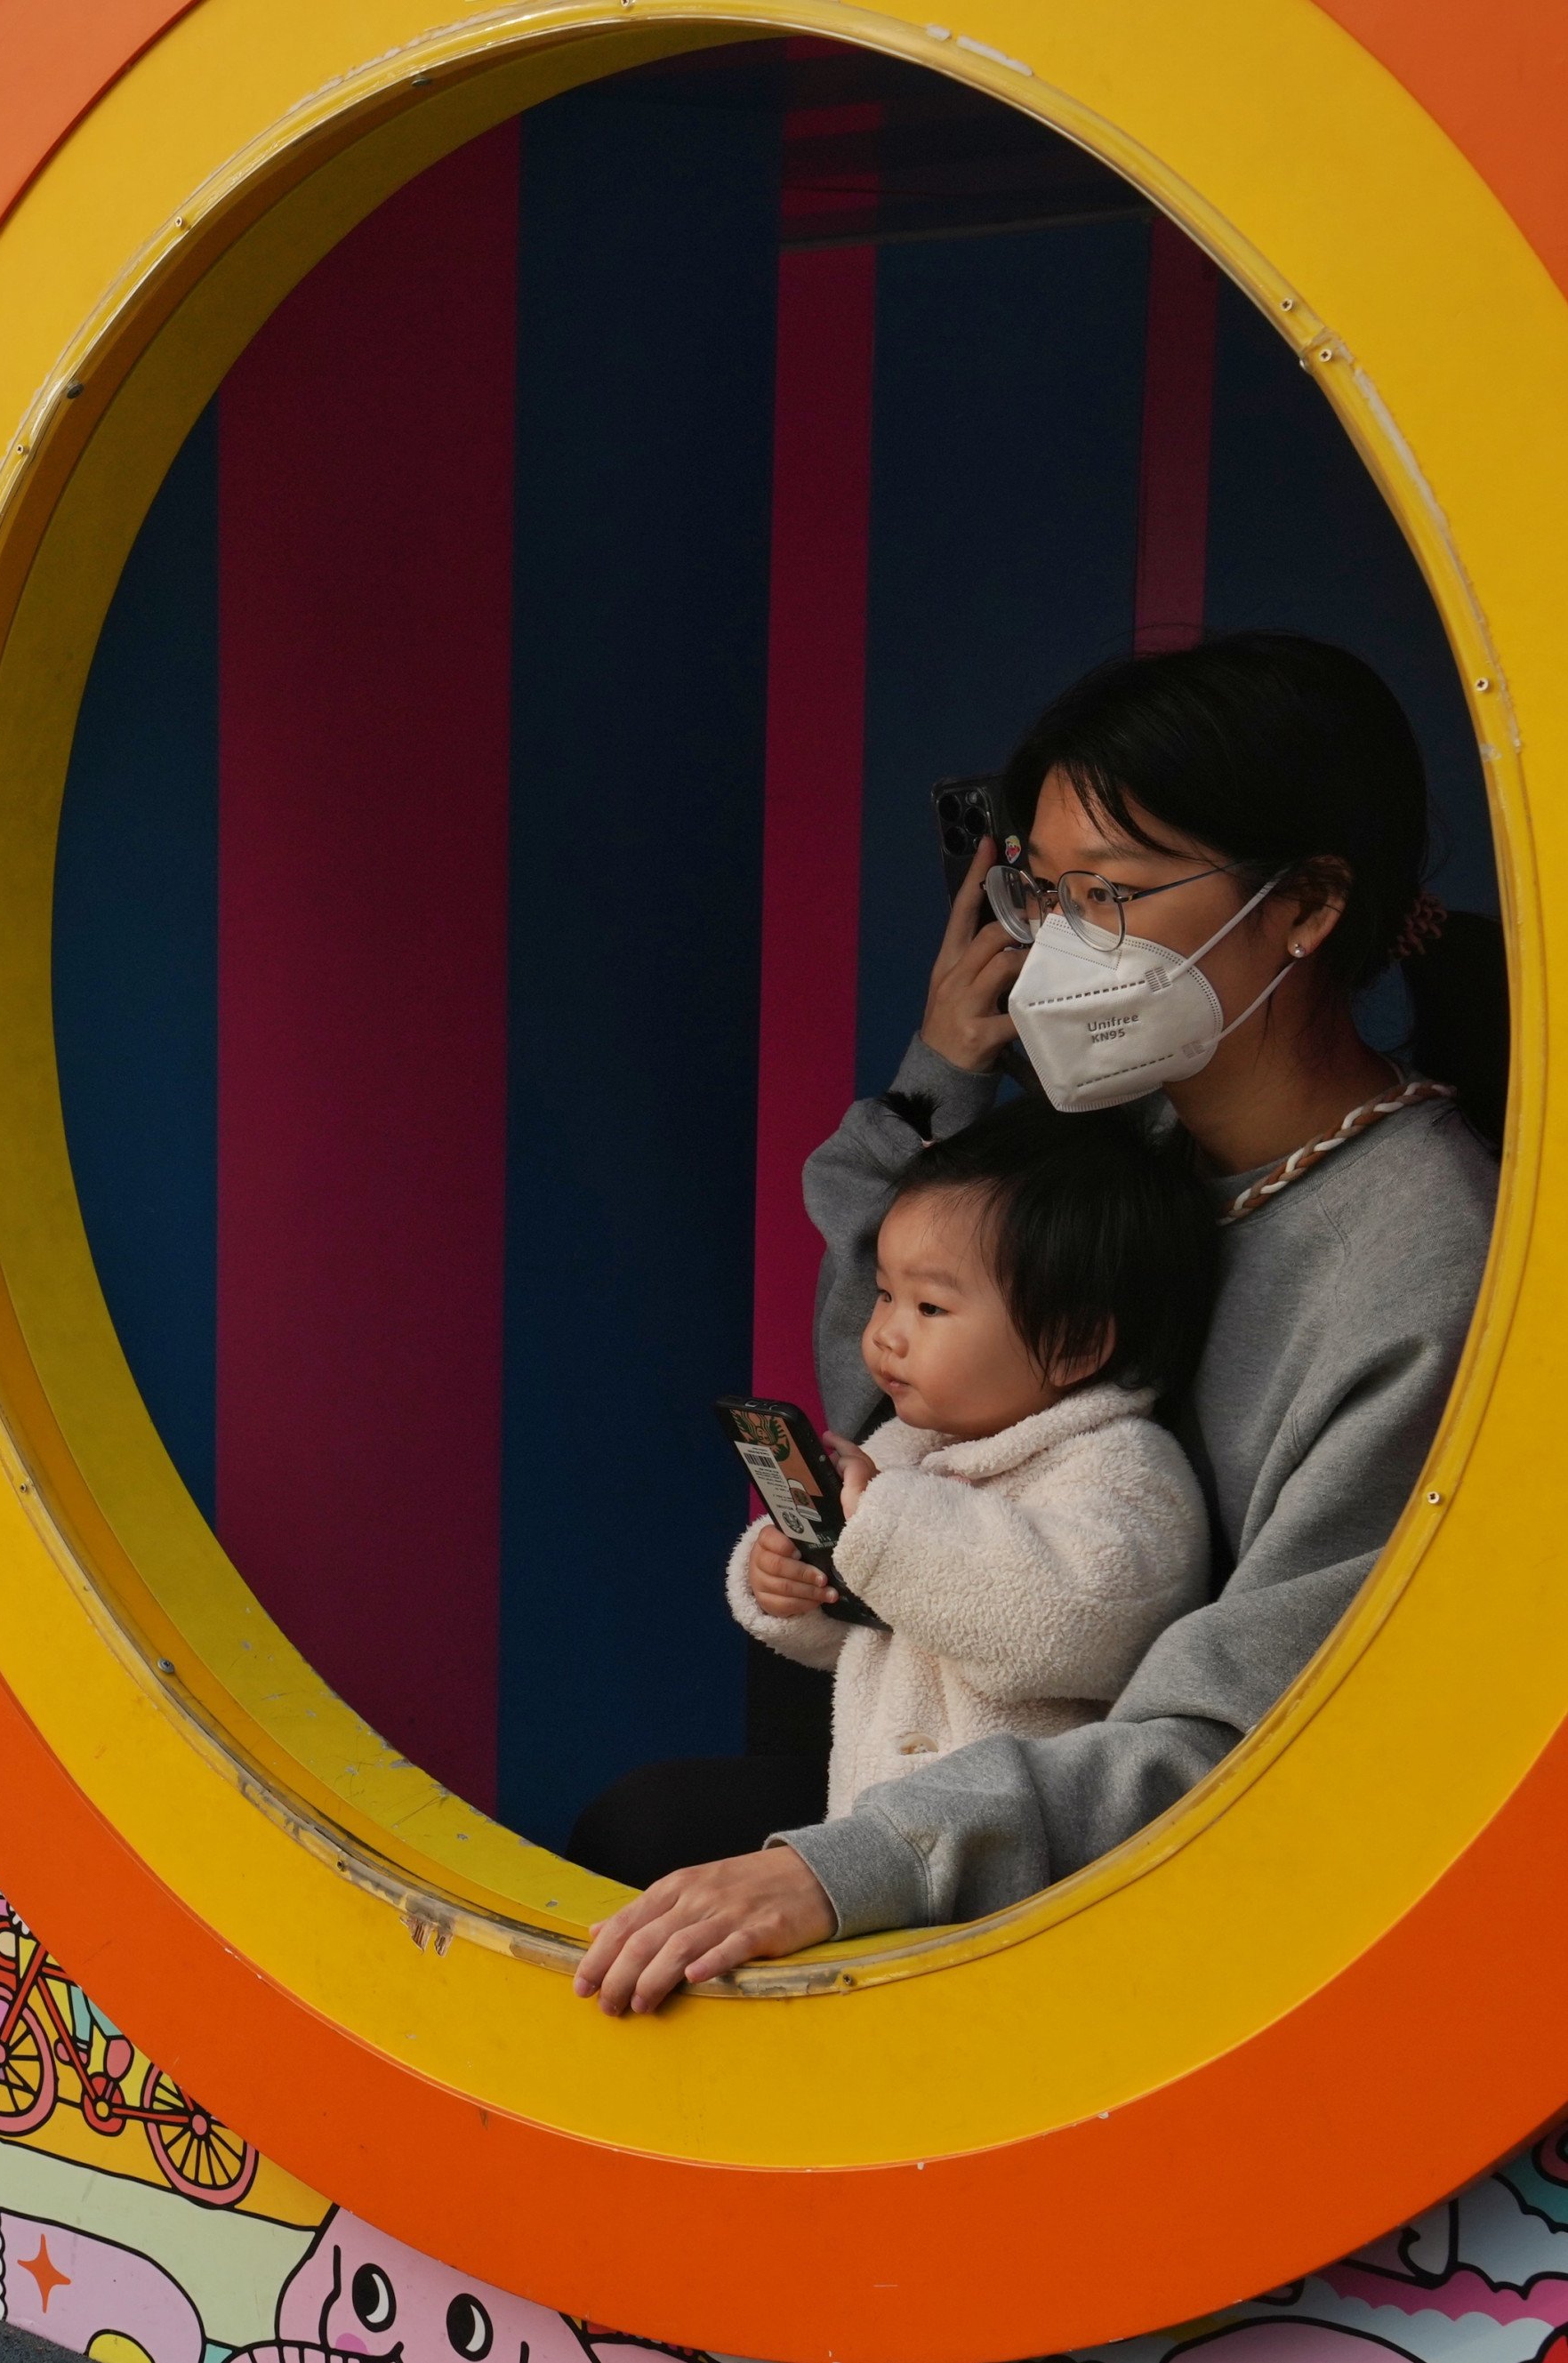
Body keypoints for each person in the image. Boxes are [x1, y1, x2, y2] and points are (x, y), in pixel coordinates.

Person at [578, 631, 1502, 2013]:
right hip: (967, 1763)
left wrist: (852, 1866)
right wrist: (942, 1076)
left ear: (1306, 905)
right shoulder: (1125, 1126)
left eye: (1113, 897)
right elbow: (902, 1401)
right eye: (1042, 894)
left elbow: (1231, 1745)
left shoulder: (1418, 1265)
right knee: (644, 1830)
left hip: (1182, 1905)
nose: (1059, 951)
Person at [720, 1099, 1218, 1839]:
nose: (885, 1331)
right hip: (881, 1839)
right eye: (885, 1292)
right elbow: (880, 1625)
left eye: (928, 1305)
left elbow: (1063, 1621)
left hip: (1023, 1863)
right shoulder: (903, 1448)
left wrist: (880, 1526)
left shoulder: (1125, 1469)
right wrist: (795, 1586)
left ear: (1074, 1343)